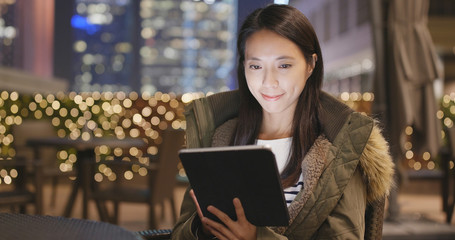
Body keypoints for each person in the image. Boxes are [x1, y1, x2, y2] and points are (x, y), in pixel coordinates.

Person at [172, 4, 395, 240]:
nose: (269, 81)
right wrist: (203, 228)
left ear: (310, 64)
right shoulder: (219, 137)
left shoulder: (341, 146)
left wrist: (257, 238)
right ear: (244, 68)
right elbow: (179, 233)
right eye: (256, 66)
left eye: (284, 65)